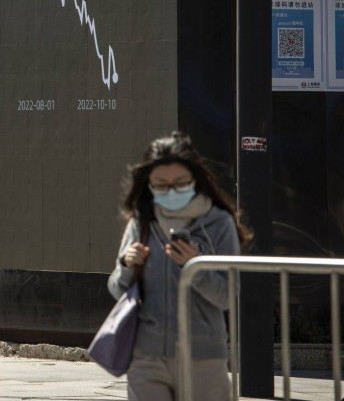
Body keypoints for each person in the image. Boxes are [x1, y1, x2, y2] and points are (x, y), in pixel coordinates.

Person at [107, 131, 253, 401]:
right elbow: (117, 289)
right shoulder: (142, 222)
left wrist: (194, 267)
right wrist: (126, 264)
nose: (170, 192)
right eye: (160, 185)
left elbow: (226, 296)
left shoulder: (218, 223)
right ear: (148, 184)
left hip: (203, 358)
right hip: (147, 357)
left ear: (195, 179)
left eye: (180, 183)